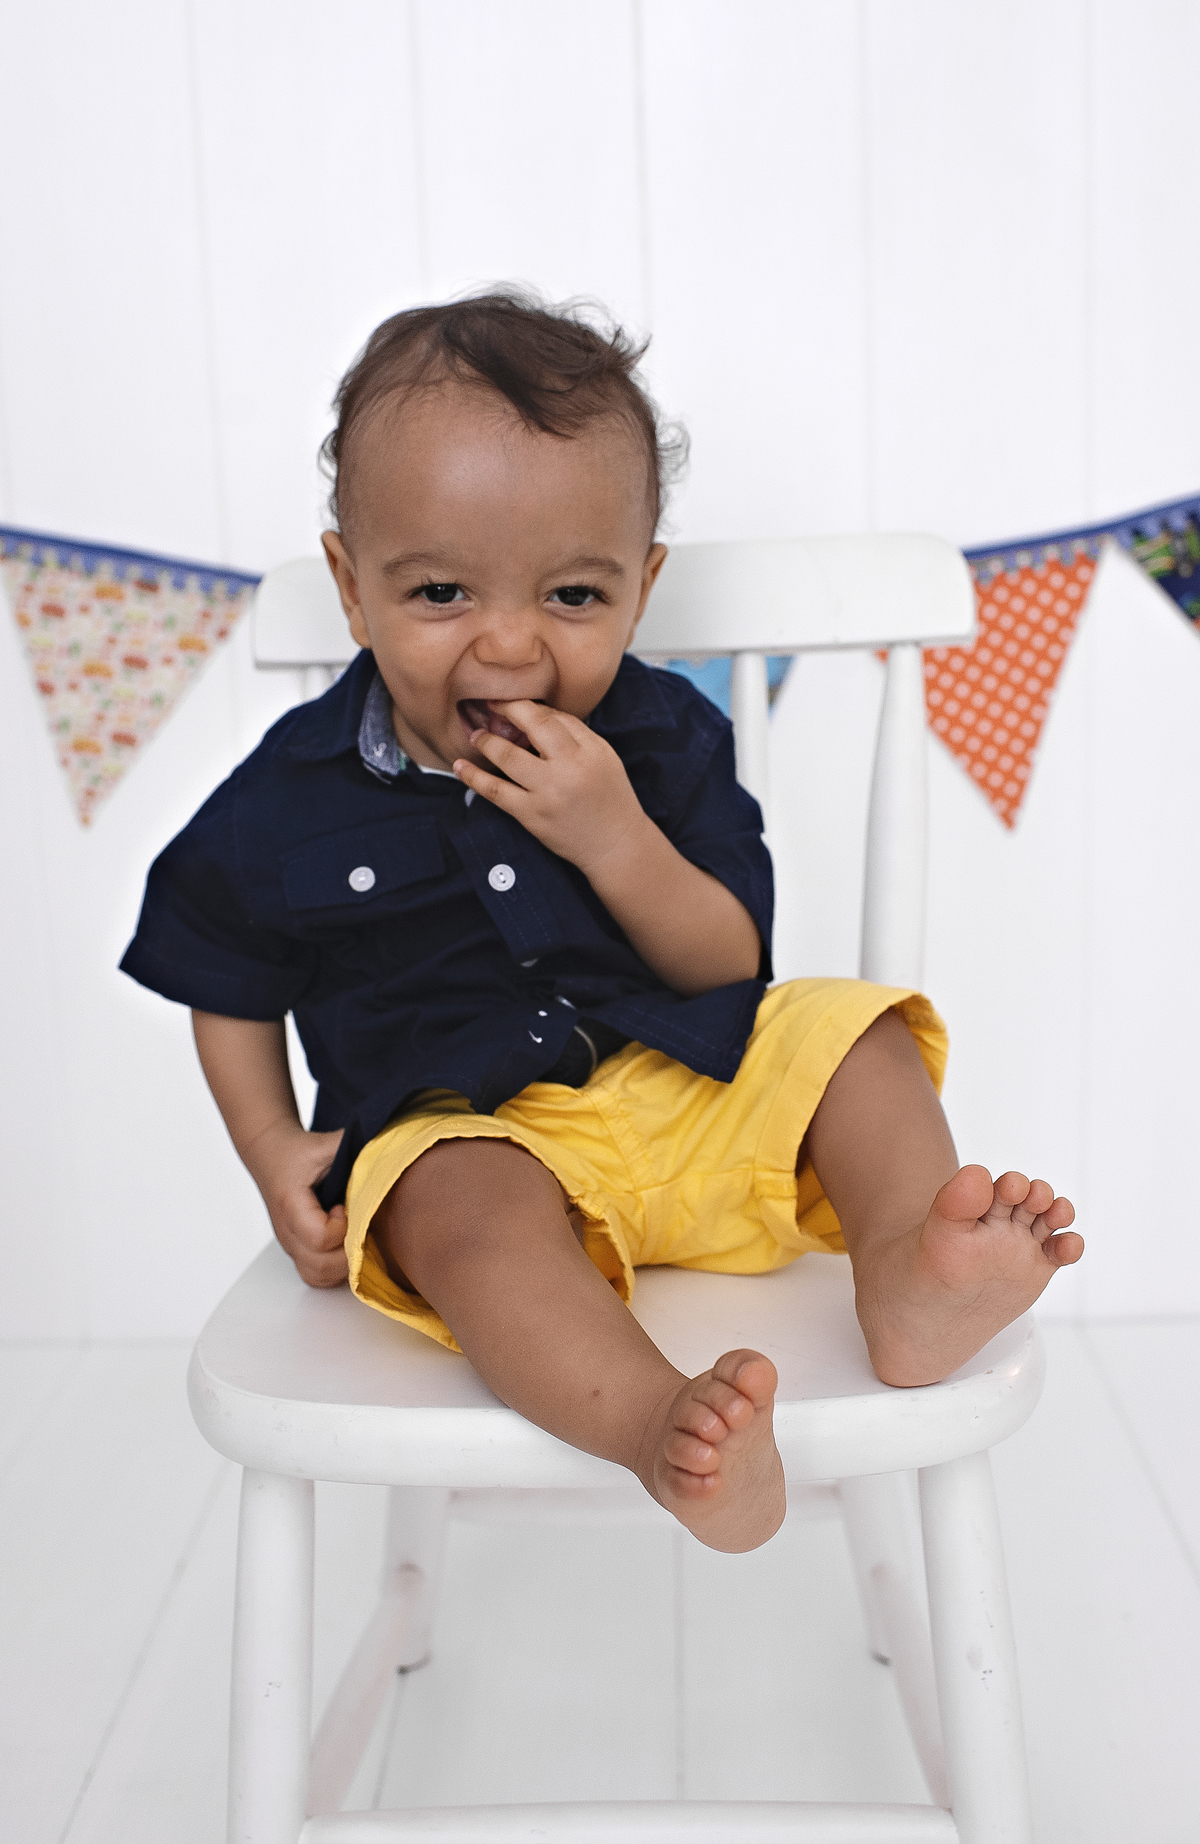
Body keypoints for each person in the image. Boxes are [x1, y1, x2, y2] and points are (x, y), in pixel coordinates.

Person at [121, 291, 1082, 1555]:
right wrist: (268, 1143)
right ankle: (657, 1427)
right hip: (474, 1140)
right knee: (455, 1205)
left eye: (574, 594)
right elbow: (223, 965)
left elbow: (728, 964)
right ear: (353, 588)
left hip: (693, 1092)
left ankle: (908, 1270)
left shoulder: (666, 738)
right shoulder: (289, 793)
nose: (511, 643)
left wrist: (615, 835)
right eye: (444, 591)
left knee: (850, 1027)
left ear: (644, 586)